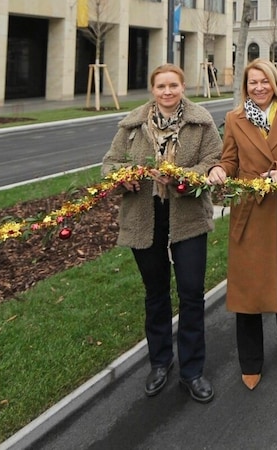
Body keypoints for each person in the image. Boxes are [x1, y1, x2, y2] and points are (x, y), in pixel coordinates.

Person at [102, 63, 222, 403]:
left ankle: (192, 371)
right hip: (144, 217)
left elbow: (214, 160)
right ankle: (160, 362)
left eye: (173, 85)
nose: (167, 92)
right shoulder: (132, 126)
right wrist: (121, 177)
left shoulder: (201, 123)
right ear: (152, 90)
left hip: (188, 217)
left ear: (183, 87)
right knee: (155, 294)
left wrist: (183, 179)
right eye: (161, 86)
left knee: (191, 293)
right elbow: (110, 163)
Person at [207, 59, 277, 391]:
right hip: (249, 212)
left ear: (274, 83)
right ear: (245, 87)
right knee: (249, 289)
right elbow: (229, 159)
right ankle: (250, 361)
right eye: (253, 83)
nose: (259, 88)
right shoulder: (234, 119)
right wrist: (219, 171)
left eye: (264, 81)